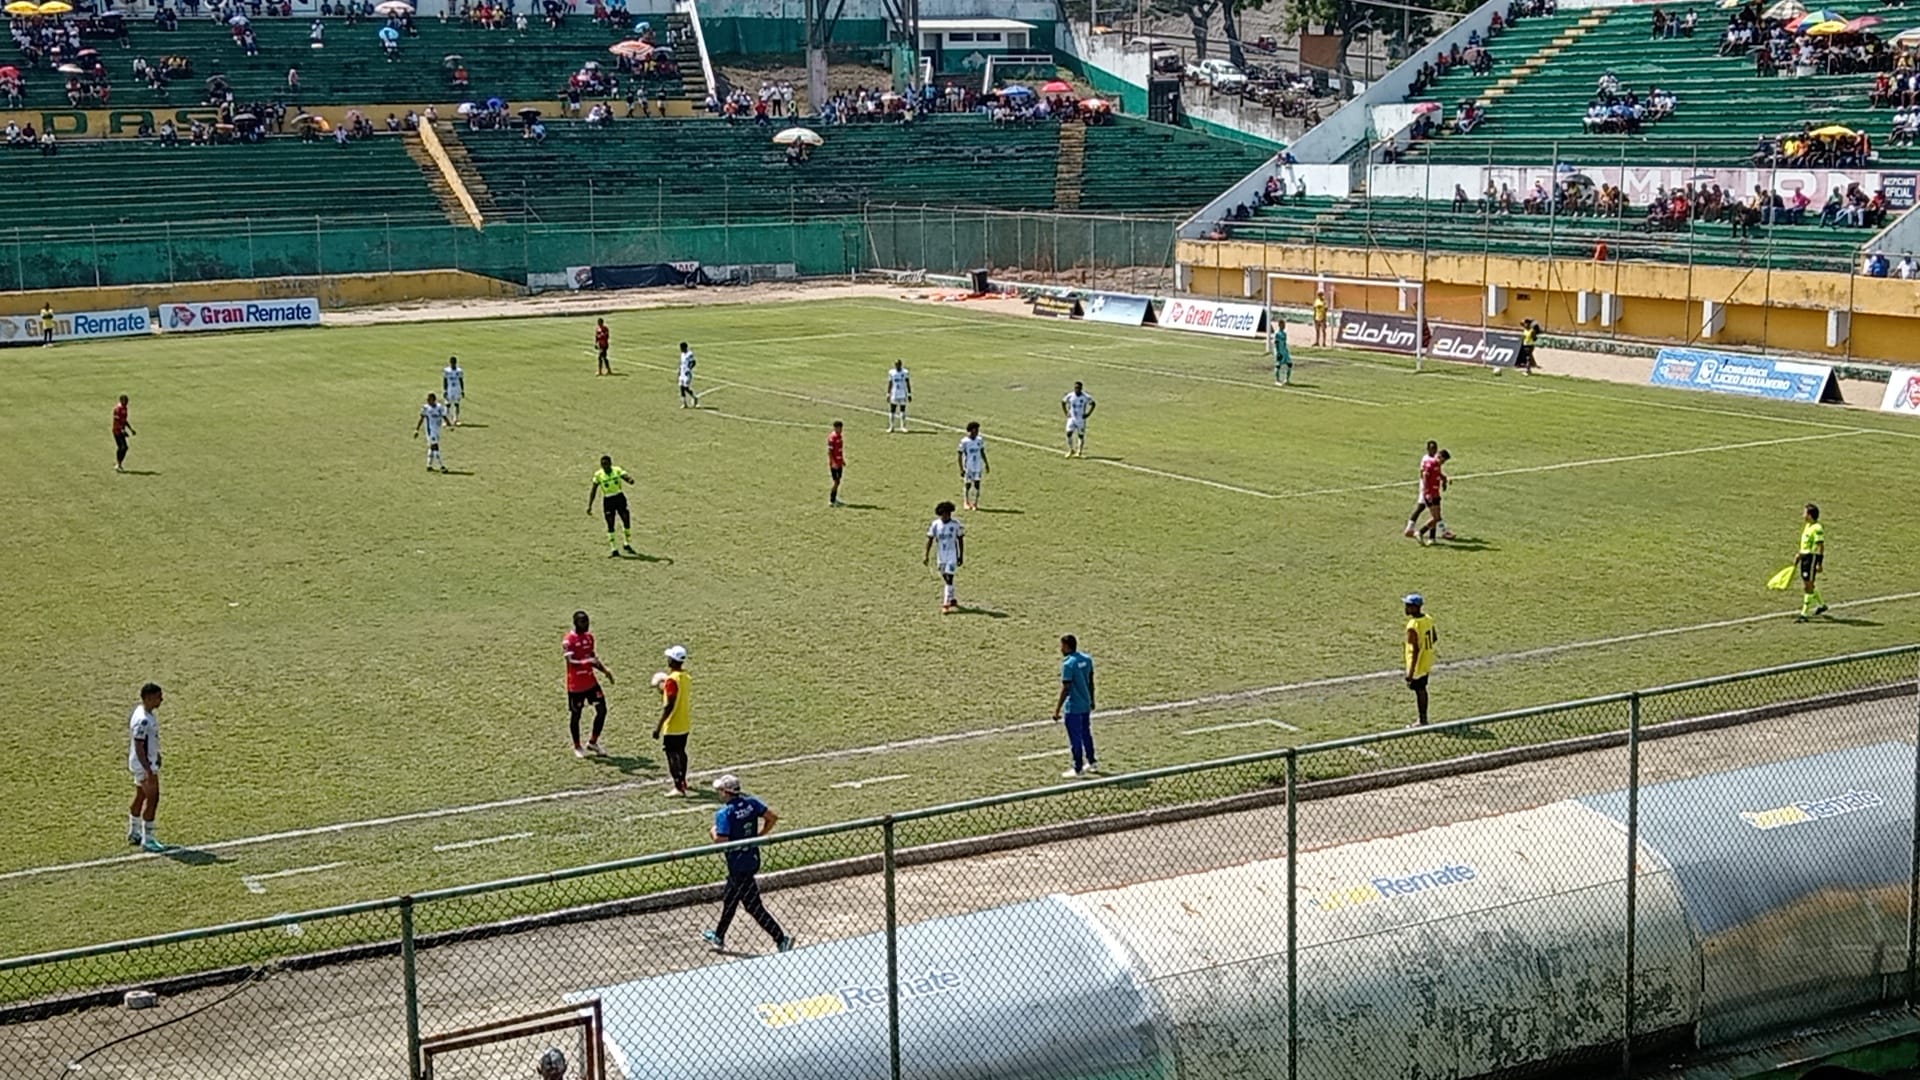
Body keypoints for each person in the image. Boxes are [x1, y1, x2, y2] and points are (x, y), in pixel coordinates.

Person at [702, 774, 794, 953]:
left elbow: (721, 842)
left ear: (725, 792)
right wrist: (759, 835)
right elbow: (772, 817)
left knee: (753, 906)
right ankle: (719, 936)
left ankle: (781, 938)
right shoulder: (751, 803)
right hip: (751, 858)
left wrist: (712, 832)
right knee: (730, 900)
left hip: (737, 865)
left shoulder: (724, 813)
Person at [564, 610, 614, 756]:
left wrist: (605, 671)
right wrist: (587, 662)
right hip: (576, 686)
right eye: (582, 622)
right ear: (575, 623)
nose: (586, 625)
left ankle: (593, 742)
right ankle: (577, 746)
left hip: (591, 683)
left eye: (587, 621)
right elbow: (570, 661)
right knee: (576, 715)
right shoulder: (569, 640)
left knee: (602, 710)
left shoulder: (589, 638)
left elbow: (592, 657)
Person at [127, 682, 166, 852]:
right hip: (144, 766)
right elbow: (139, 744)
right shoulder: (143, 720)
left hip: (142, 763)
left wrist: (156, 753)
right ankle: (148, 839)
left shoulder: (142, 712)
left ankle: (134, 832)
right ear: (149, 698)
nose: (161, 700)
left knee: (141, 796)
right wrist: (148, 769)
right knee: (153, 798)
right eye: (158, 697)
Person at [1052, 635, 1098, 778]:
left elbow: (1066, 688)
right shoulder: (1087, 659)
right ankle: (1092, 762)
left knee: (1075, 738)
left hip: (1073, 707)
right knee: (1086, 734)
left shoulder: (1068, 664)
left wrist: (1057, 709)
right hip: (1085, 704)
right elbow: (1091, 682)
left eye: (1062, 646)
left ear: (1067, 646)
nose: (1061, 649)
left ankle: (1078, 768)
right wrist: (1092, 700)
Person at [653, 644, 692, 795]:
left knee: (671, 753)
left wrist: (659, 726)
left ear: (672, 661)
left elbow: (669, 705)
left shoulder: (671, 680)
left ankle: (678, 785)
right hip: (684, 721)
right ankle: (683, 780)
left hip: (673, 723)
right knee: (681, 751)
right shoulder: (686, 677)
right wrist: (663, 691)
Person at [588, 454, 637, 557]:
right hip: (608, 500)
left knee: (626, 519)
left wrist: (629, 480)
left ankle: (626, 543)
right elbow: (594, 490)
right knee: (610, 523)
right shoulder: (598, 475)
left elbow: (624, 476)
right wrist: (590, 505)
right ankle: (614, 548)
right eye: (602, 464)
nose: (604, 466)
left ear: (610, 463)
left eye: (606, 464)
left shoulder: (617, 470)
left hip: (619, 497)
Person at [922, 500, 965, 613]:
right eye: (945, 514)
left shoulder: (956, 525)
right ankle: (952, 598)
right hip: (941, 555)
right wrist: (926, 555)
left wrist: (960, 555)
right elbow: (930, 540)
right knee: (945, 577)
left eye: (949, 513)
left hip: (952, 554)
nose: (947, 516)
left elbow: (960, 540)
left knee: (949, 577)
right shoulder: (936, 525)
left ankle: (946, 603)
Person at [1403, 594, 1437, 726]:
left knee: (1420, 690)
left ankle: (1422, 720)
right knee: (1422, 688)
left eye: (1408, 606)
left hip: (1417, 663)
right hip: (1427, 660)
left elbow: (1415, 649)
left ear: (1415, 608)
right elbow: (1434, 637)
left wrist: (1410, 673)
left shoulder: (1412, 626)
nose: (1405, 608)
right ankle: (1423, 718)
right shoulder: (1428, 619)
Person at [1795, 503, 1828, 622]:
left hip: (1811, 558)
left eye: (1804, 513)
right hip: (1804, 558)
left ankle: (1804, 614)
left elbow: (1820, 546)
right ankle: (1822, 605)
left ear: (1810, 515)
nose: (1803, 515)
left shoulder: (1817, 528)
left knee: (1808, 586)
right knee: (1808, 583)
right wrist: (1799, 555)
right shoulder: (1808, 526)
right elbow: (1805, 545)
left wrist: (1819, 563)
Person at [413, 392, 449, 472]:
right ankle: (442, 466)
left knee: (432, 447)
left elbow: (444, 416)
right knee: (435, 447)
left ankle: (428, 465)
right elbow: (421, 419)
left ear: (434, 400)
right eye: (427, 399)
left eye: (429, 399)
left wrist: (449, 425)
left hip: (437, 431)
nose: (428, 401)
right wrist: (417, 429)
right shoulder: (426, 408)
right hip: (430, 431)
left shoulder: (439, 407)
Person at [957, 421, 988, 511]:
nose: (977, 431)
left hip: (977, 466)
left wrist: (986, 463)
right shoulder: (964, 442)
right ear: (971, 430)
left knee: (977, 484)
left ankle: (975, 503)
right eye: (976, 430)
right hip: (968, 467)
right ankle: (966, 502)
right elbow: (959, 454)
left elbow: (982, 452)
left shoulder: (979, 440)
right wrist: (961, 469)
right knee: (968, 484)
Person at [1061, 381, 1096, 458]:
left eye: (1078, 388)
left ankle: (1079, 451)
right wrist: (1066, 412)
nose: (1077, 389)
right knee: (1068, 433)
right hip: (1071, 419)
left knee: (1080, 435)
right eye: (1075, 387)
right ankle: (1071, 450)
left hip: (1081, 419)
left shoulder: (1085, 397)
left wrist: (1088, 414)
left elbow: (1093, 404)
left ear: (1081, 388)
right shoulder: (1070, 396)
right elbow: (1063, 402)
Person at [885, 359, 912, 432]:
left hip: (903, 393)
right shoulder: (892, 373)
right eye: (896, 365)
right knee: (892, 410)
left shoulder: (905, 372)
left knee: (902, 410)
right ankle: (891, 427)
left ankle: (902, 426)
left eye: (898, 365)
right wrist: (888, 394)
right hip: (894, 393)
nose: (897, 366)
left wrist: (909, 394)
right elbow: (890, 383)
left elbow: (907, 383)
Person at [112, 394, 136, 473]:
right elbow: (117, 420)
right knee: (122, 447)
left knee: (124, 447)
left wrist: (130, 429)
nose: (127, 403)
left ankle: (119, 464)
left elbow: (124, 420)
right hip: (117, 431)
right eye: (126, 401)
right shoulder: (117, 408)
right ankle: (118, 464)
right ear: (122, 400)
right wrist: (122, 430)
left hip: (121, 430)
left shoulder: (125, 408)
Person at [441, 355, 465, 425]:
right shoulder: (447, 371)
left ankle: (456, 419)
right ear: (450, 363)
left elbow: (461, 380)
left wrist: (462, 390)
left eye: (454, 363)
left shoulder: (459, 371)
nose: (453, 364)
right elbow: (445, 380)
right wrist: (445, 390)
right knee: (447, 404)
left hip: (457, 389)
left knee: (456, 404)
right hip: (449, 389)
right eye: (452, 363)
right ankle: (447, 421)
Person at [1270, 314, 1294, 386]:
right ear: (1279, 325)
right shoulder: (1277, 334)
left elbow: (1284, 343)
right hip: (1279, 351)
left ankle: (1287, 380)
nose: (1284, 326)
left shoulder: (1284, 334)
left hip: (1285, 351)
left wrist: (1286, 351)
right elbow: (1276, 343)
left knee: (1290, 364)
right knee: (1278, 365)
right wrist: (1278, 352)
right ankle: (1277, 380)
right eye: (1283, 324)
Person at [677, 341, 698, 407]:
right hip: (682, 373)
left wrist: (689, 369)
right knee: (681, 387)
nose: (681, 349)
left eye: (681, 348)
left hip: (687, 373)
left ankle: (694, 397)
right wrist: (679, 370)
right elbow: (681, 363)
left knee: (686, 387)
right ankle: (684, 403)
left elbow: (694, 362)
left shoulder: (690, 354)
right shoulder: (682, 354)